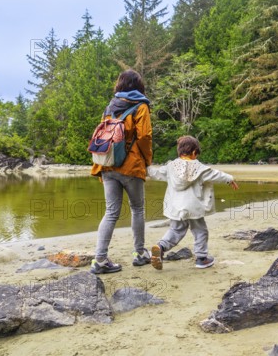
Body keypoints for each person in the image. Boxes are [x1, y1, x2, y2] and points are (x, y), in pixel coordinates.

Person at [90, 69, 153, 274]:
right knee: (137, 209)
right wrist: (147, 161)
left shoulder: (110, 105)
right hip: (131, 165)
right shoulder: (141, 106)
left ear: (120, 84)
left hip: (108, 164)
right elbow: (144, 137)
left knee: (111, 213)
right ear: (138, 85)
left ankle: (99, 259)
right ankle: (140, 254)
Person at [147, 135, 238, 270]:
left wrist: (143, 167)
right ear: (194, 152)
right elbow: (216, 174)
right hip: (193, 207)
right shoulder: (199, 168)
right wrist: (230, 179)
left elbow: (155, 173)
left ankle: (160, 247)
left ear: (179, 151)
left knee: (175, 230)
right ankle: (201, 258)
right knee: (200, 231)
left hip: (176, 207)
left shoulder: (170, 167)